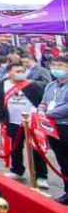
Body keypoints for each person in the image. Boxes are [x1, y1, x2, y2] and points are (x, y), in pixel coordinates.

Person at [2, 62, 48, 188]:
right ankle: (17, 170)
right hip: (13, 121)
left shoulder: (32, 85)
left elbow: (42, 101)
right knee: (15, 148)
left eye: (22, 71)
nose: (20, 74)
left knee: (36, 149)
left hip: (31, 122)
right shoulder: (4, 84)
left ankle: (41, 176)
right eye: (17, 71)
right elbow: (0, 101)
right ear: (9, 72)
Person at [39, 55, 68, 204]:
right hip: (52, 127)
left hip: (65, 125)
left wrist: (49, 113)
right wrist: (41, 111)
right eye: (54, 65)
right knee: (63, 161)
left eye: (60, 66)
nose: (56, 68)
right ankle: (67, 192)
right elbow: (44, 102)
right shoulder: (50, 85)